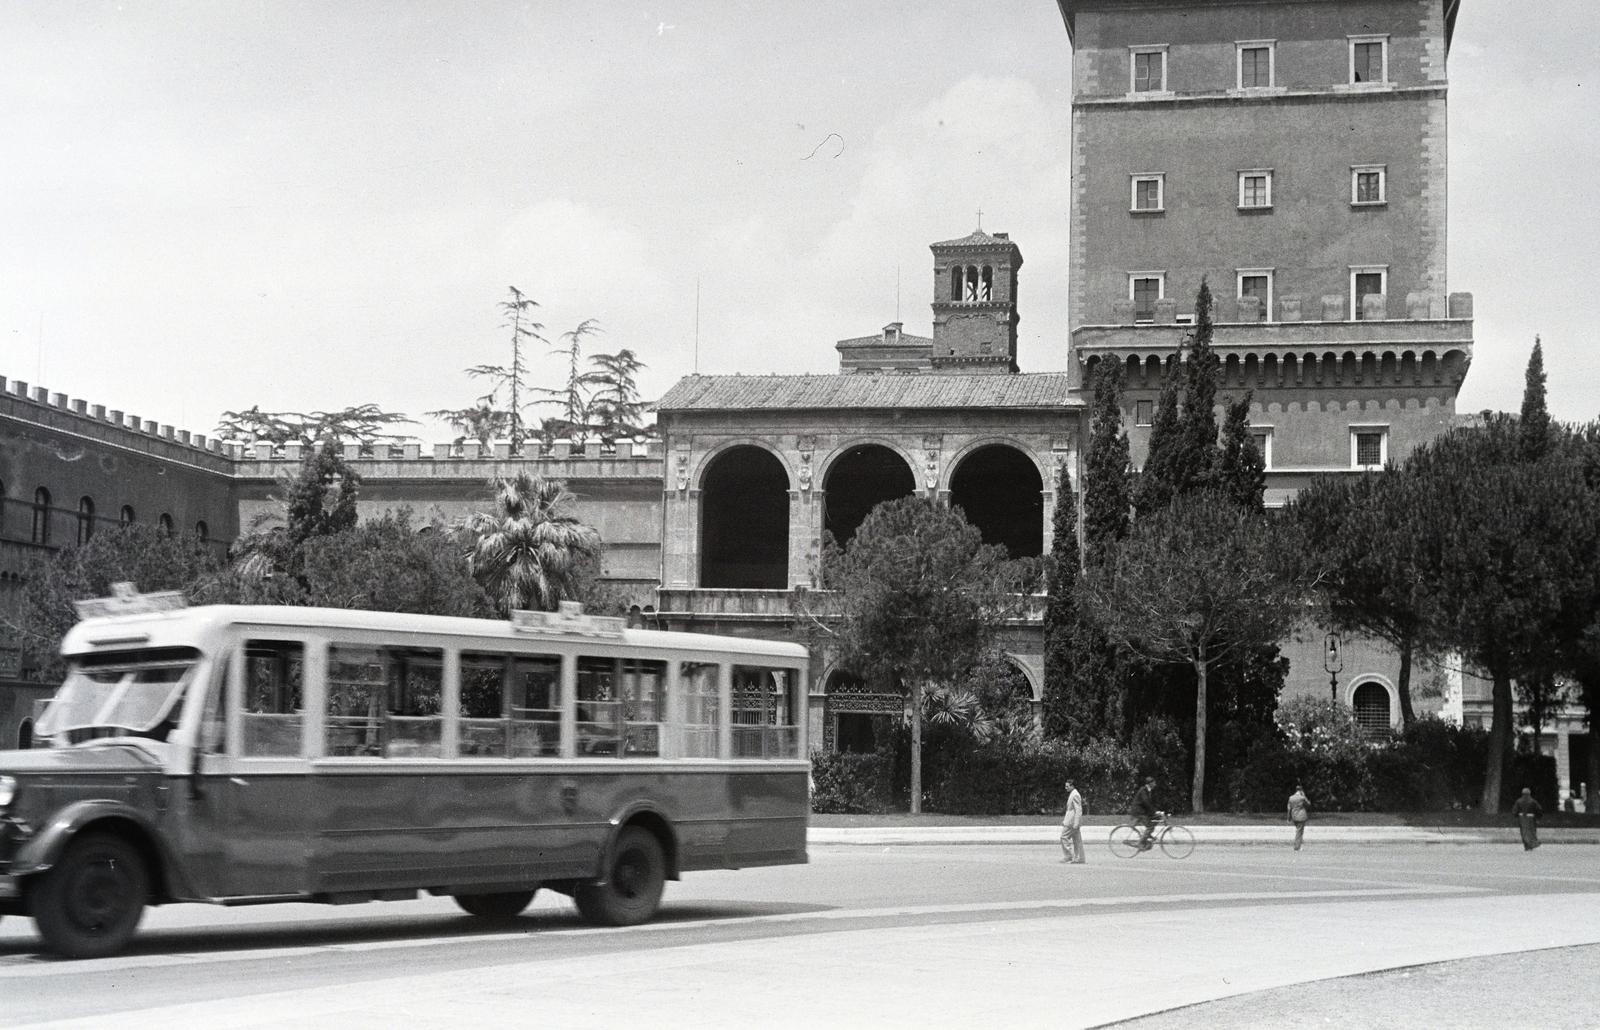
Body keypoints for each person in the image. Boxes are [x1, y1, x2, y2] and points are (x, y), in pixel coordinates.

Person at [1060, 778, 1085, 864]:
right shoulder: (1073, 794)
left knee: (1064, 837)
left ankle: (1069, 856)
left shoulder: (1075, 795)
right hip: (1071, 821)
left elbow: (1078, 810)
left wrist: (1076, 823)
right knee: (1077, 840)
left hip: (1072, 822)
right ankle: (1079, 858)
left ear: (1072, 786)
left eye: (1067, 786)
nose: (1065, 788)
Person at [1129, 776, 1158, 850]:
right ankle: (1140, 843)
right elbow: (1146, 802)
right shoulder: (1143, 790)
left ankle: (1146, 838)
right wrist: (1154, 812)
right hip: (1139, 811)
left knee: (1154, 822)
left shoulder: (1148, 790)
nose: (1155, 784)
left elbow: (1149, 803)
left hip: (1142, 811)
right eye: (1154, 783)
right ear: (1150, 783)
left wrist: (1156, 811)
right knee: (1150, 826)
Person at [1287, 784, 1311, 851]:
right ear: (1301, 790)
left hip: (1294, 816)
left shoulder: (1291, 798)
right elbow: (1308, 804)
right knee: (1299, 832)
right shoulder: (1302, 798)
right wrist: (1304, 796)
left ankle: (1299, 844)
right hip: (1301, 816)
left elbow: (1289, 808)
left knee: (1299, 831)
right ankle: (1297, 847)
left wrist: (1289, 818)